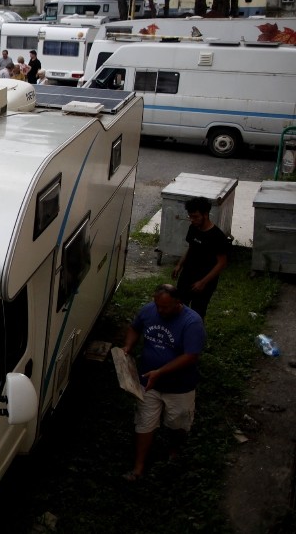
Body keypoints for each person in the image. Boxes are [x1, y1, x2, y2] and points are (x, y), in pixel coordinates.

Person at [121, 284, 206, 481]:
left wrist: (160, 372)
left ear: (178, 303)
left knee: (177, 423)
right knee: (145, 422)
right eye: (157, 305)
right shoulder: (149, 310)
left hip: (179, 386)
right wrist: (128, 346)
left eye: (165, 307)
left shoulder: (192, 322)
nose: (160, 310)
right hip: (148, 383)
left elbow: (191, 356)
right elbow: (135, 328)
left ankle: (174, 449)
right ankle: (138, 468)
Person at [172, 196, 230, 319]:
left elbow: (222, 263)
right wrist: (179, 265)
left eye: (195, 217)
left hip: (205, 280)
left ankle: (195, 336)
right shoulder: (193, 228)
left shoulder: (217, 237)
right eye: (190, 216)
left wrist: (203, 282)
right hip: (187, 275)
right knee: (179, 306)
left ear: (205, 214)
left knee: (197, 312)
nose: (192, 220)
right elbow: (191, 247)